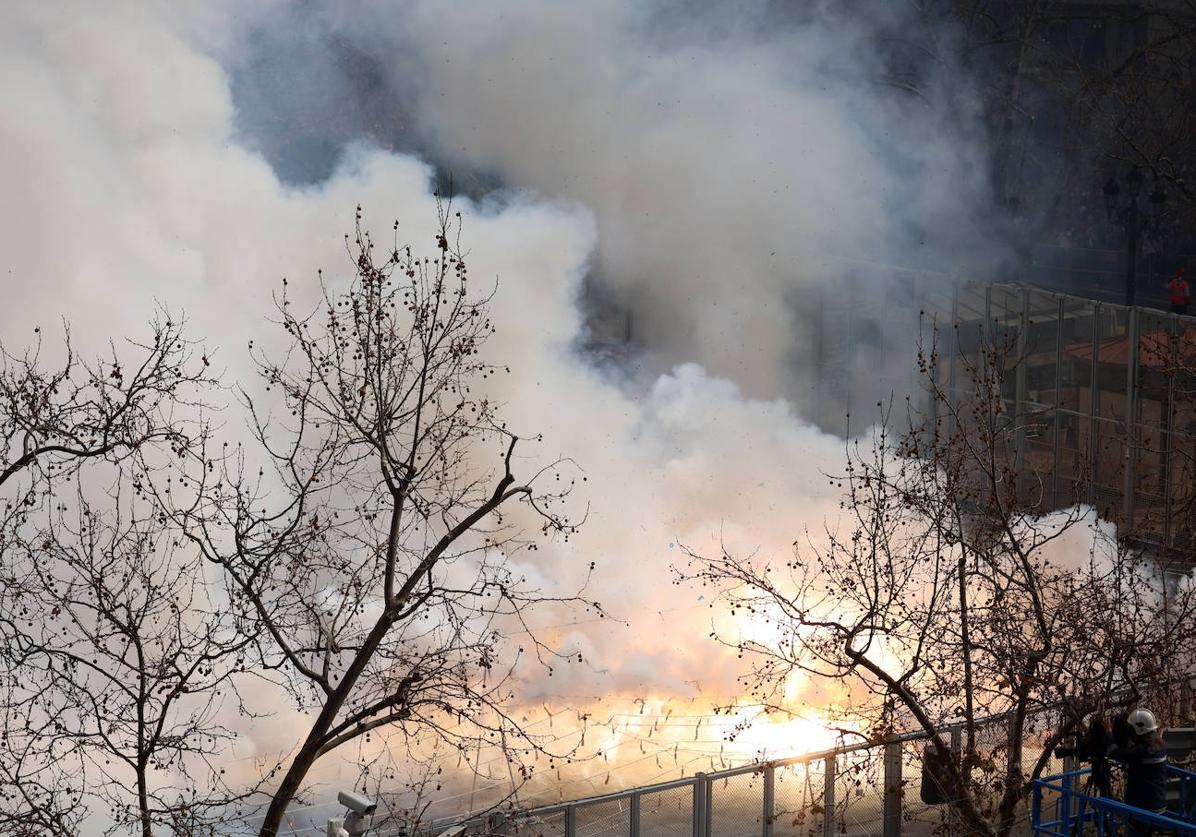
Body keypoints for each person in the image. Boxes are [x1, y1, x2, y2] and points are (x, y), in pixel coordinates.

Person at [1107, 708, 1168, 836]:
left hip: (1142, 810)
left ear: (1137, 731)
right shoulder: (1160, 745)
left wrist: (1109, 733)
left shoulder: (1140, 752)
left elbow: (1114, 753)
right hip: (1159, 806)